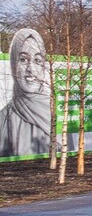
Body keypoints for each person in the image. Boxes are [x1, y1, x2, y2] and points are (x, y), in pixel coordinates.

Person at [0, 29, 53, 159]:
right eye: (23, 59)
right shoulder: (3, 119)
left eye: (37, 60)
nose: (30, 68)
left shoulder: (56, 114)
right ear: (13, 64)